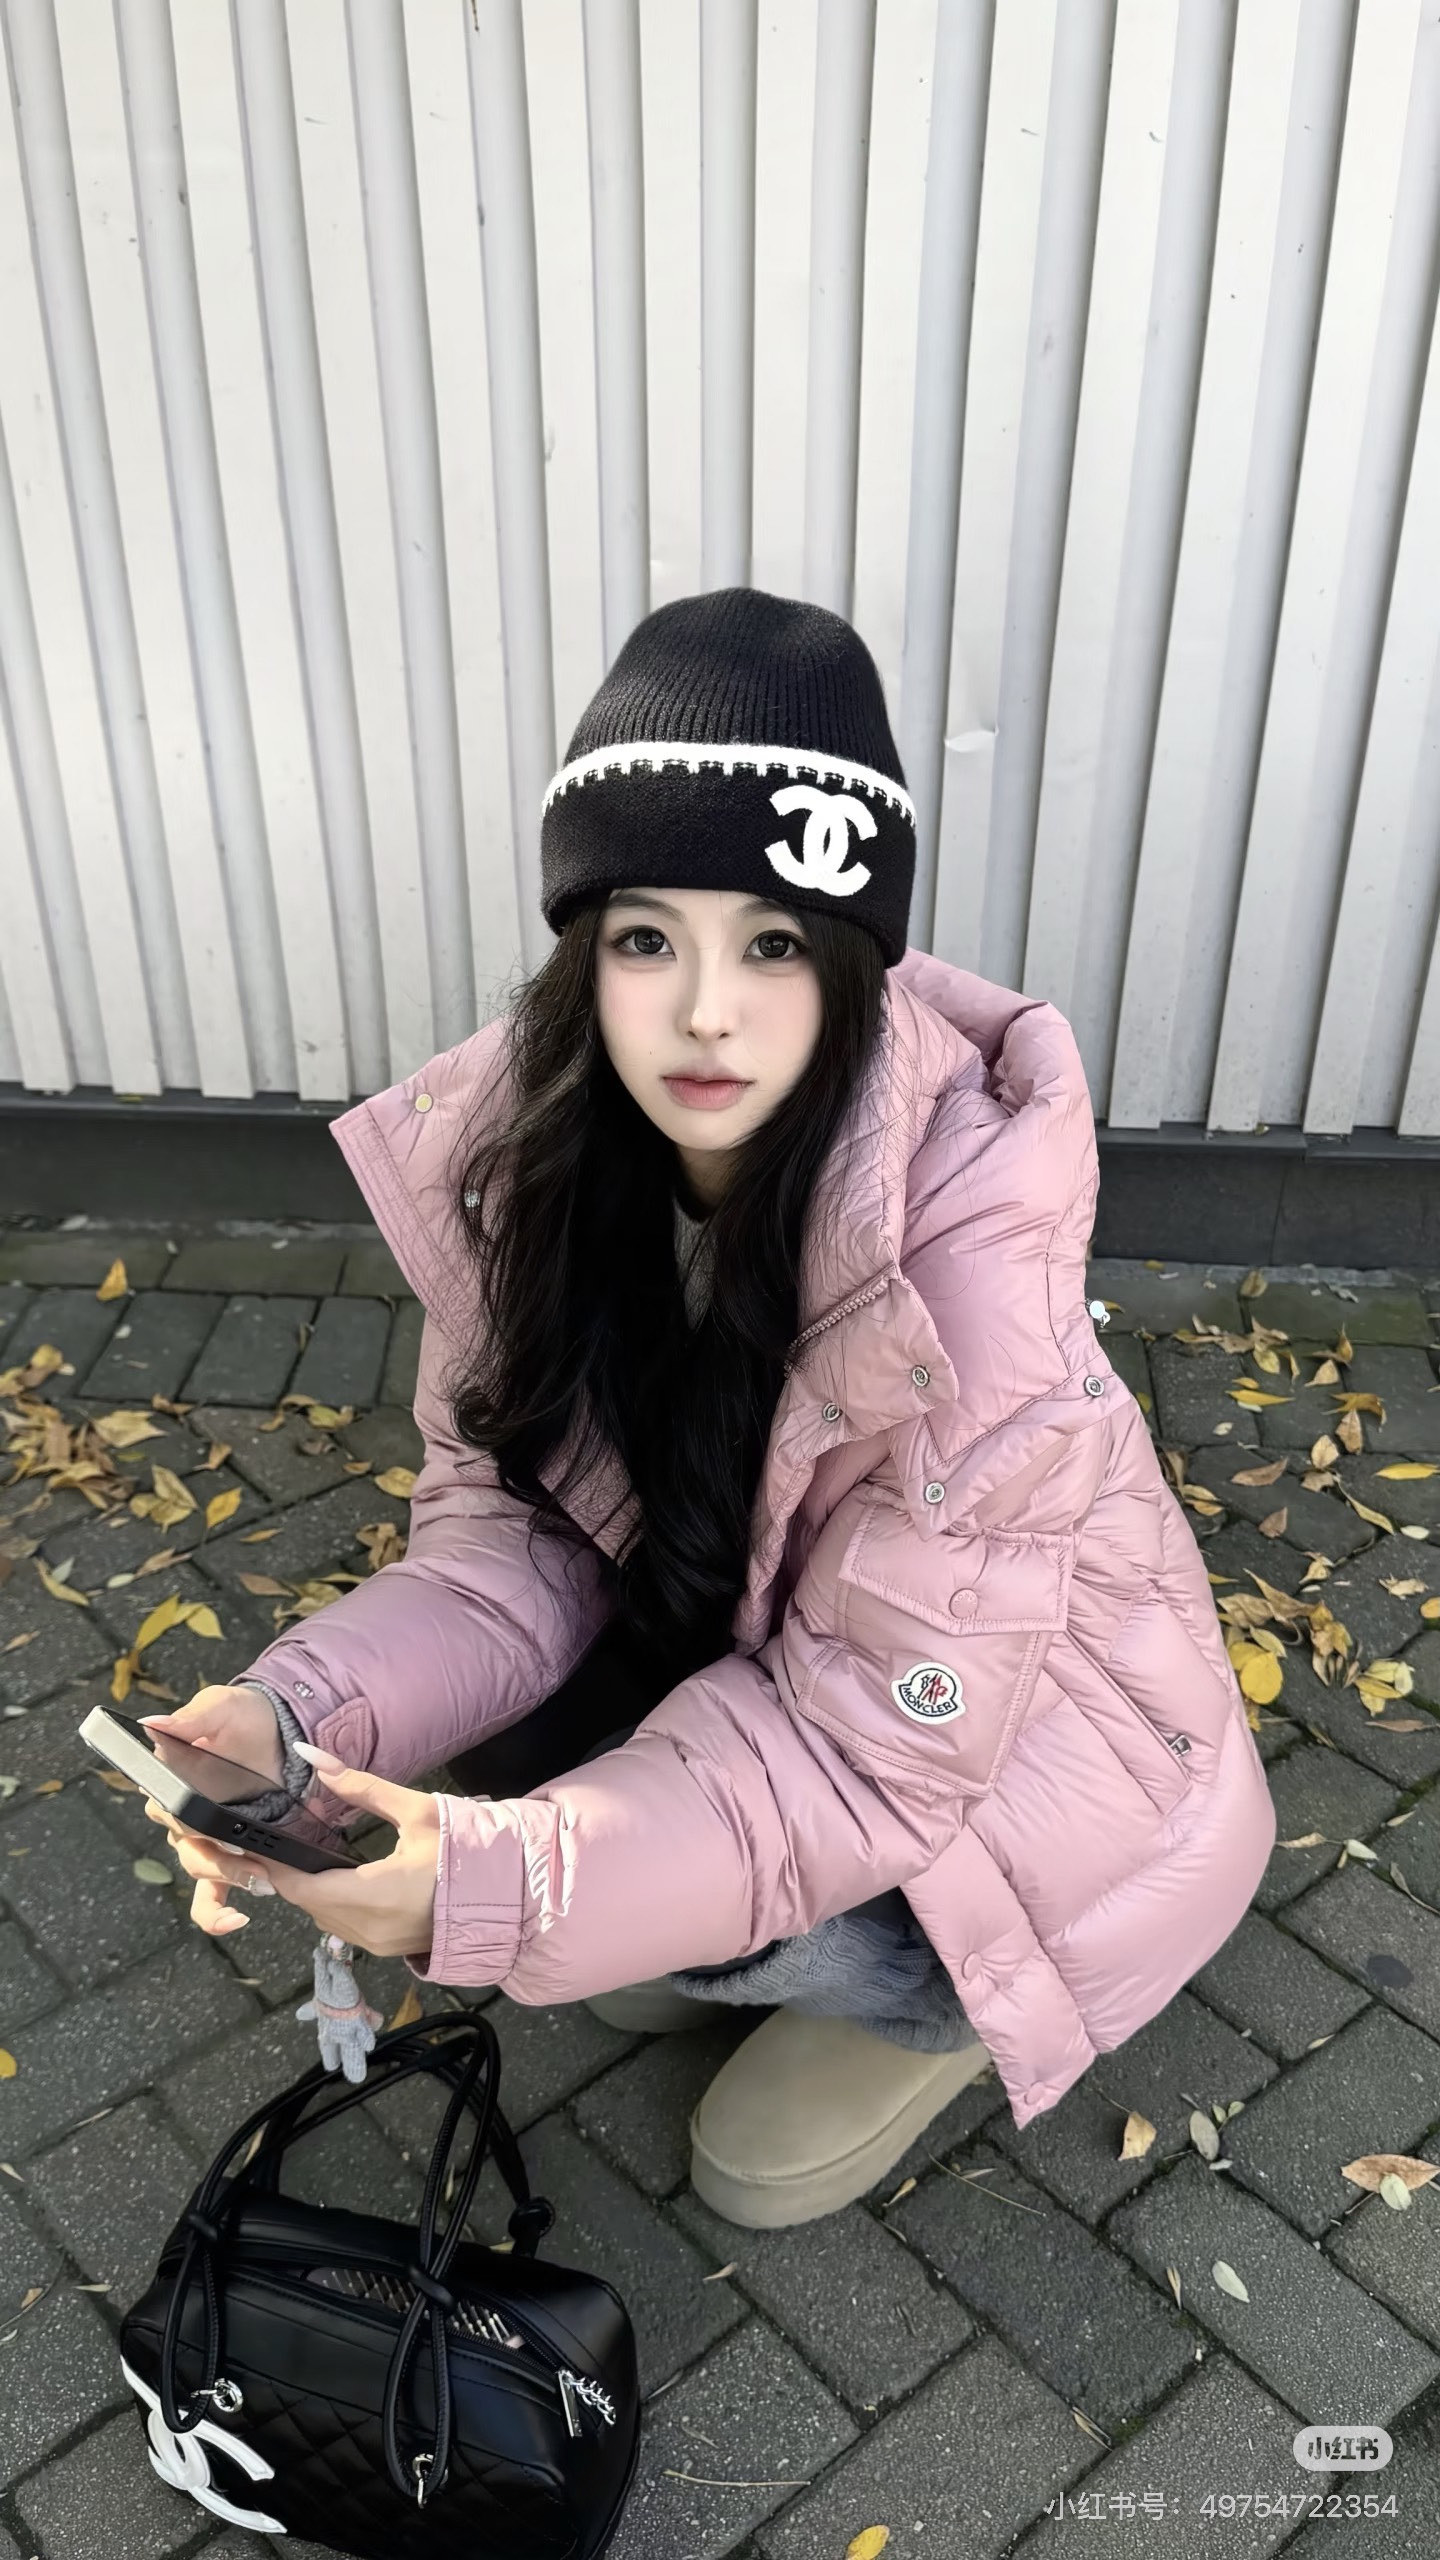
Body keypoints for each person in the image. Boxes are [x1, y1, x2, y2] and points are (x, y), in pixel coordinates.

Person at [142, 586, 1276, 2230]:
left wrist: (501, 1880)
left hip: (1017, 1819)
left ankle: (936, 2013)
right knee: (562, 1829)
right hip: (791, 1680)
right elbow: (502, 1545)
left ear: (854, 964)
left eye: (772, 944)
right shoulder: (540, 1177)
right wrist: (299, 1715)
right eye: (646, 938)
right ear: (583, 955)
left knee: (685, 2049)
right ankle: (719, 1931)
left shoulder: (972, 1288)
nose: (703, 1011)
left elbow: (868, 1749)